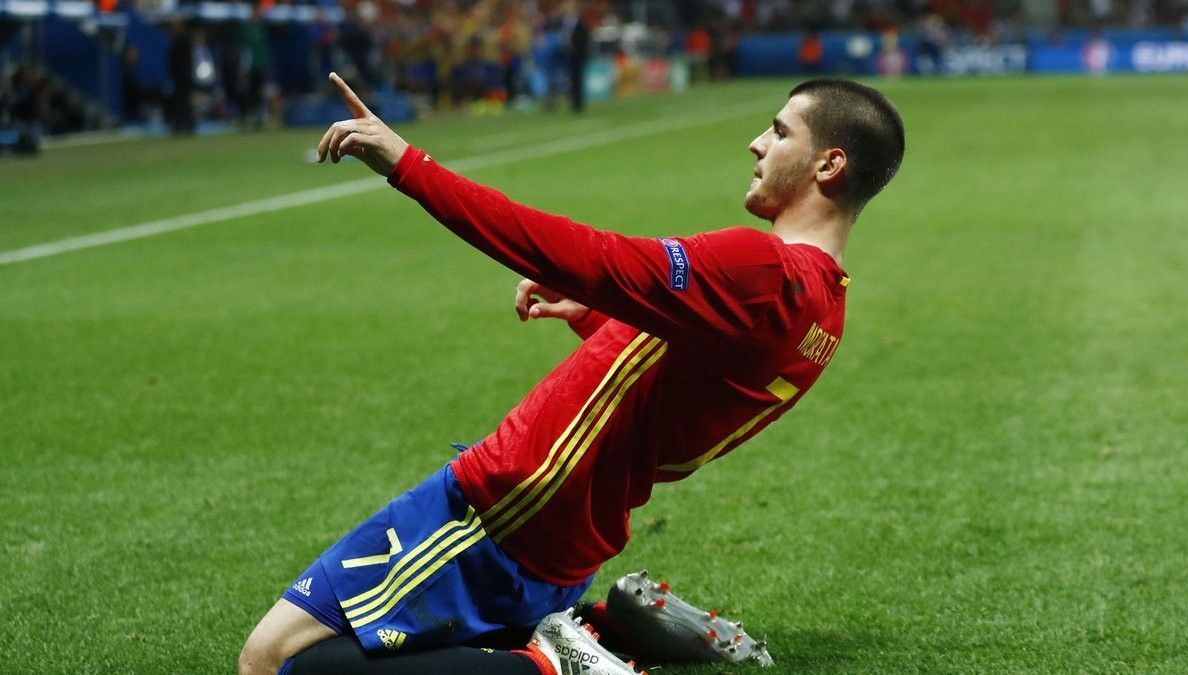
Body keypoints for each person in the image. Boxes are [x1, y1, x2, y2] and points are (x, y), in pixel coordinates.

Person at [238, 73, 905, 675]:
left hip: (508, 504)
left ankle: (560, 662)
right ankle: (597, 629)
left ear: (829, 163)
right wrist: (594, 316)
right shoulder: (825, 310)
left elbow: (589, 257)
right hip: (572, 529)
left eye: (780, 132)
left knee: (272, 660)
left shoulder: (762, 270)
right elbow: (684, 399)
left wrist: (408, 165)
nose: (757, 143)